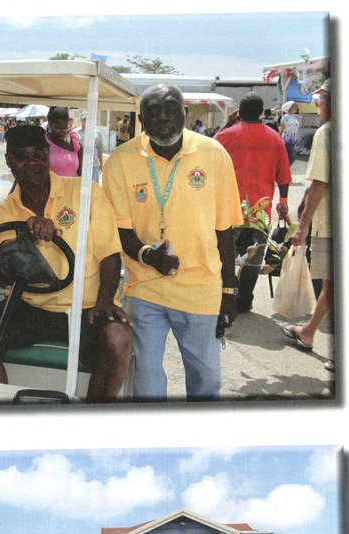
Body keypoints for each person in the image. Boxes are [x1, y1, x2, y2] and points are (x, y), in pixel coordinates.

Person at [0, 124, 133, 403]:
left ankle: (92, 421)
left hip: (84, 307)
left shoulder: (85, 192)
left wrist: (105, 300)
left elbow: (110, 255)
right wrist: (24, 239)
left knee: (119, 336)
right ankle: (2, 414)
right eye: (21, 156)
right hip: (29, 307)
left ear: (48, 156)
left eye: (38, 155)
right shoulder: (2, 213)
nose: (31, 163)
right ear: (9, 161)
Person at [102, 83, 243, 401]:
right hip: (144, 289)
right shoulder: (121, 161)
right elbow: (120, 230)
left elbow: (225, 231)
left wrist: (229, 290)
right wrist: (149, 257)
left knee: (205, 380)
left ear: (185, 113)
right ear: (141, 117)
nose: (162, 116)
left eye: (170, 108)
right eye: (153, 110)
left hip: (200, 289)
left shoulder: (213, 154)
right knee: (147, 382)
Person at [214, 92, 292, 313]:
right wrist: (283, 200)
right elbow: (284, 176)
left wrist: (227, 124)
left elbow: (207, 153)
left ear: (239, 111)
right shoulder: (274, 138)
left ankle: (228, 295)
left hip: (229, 210)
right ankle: (245, 299)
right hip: (261, 212)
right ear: (260, 113)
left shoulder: (226, 136)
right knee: (254, 257)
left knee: (226, 253)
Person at [281, 79, 333, 372]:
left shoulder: (326, 132)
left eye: (320, 99)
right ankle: (309, 330)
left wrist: (302, 227)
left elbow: (320, 183)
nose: (317, 104)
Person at [45, 106, 82, 177]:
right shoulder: (44, 144)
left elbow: (82, 175)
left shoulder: (75, 144)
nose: (62, 133)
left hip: (71, 187)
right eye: (57, 128)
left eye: (65, 128)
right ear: (49, 123)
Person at [77, 111, 104, 182]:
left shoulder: (97, 133)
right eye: (85, 119)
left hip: (93, 165)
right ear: (81, 120)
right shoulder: (75, 133)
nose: (87, 121)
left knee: (93, 188)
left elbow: (100, 150)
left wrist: (101, 164)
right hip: (79, 166)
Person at [279, 100, 302, 165]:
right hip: (286, 140)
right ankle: (284, 170)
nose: (297, 107)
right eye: (295, 106)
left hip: (292, 140)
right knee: (292, 157)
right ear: (290, 108)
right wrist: (279, 138)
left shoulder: (293, 117)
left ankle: (284, 170)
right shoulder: (285, 117)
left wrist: (297, 139)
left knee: (289, 157)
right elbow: (282, 129)